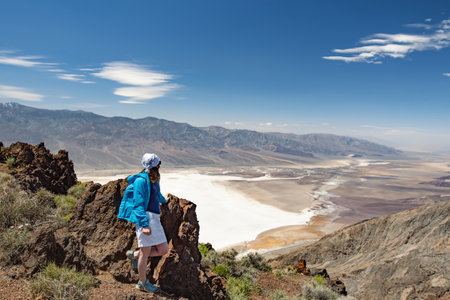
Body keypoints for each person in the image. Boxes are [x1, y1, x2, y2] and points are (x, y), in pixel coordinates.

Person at [118, 153, 169, 293]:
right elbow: (138, 204)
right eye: (158, 163)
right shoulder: (141, 181)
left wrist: (165, 200)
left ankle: (134, 255)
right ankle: (142, 283)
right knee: (145, 253)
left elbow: (156, 194)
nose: (159, 166)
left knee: (164, 249)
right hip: (145, 219)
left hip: (155, 218)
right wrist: (144, 224)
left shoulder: (154, 179)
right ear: (155, 165)